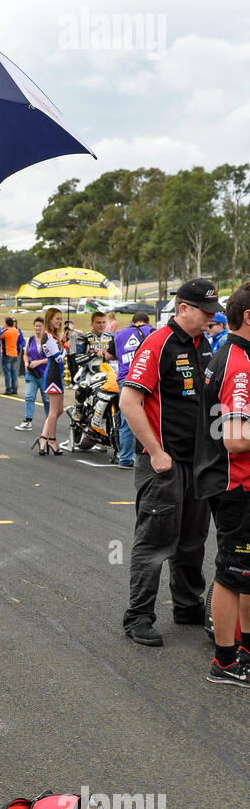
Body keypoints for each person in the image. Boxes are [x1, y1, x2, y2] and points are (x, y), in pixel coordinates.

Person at [119, 277, 219, 645]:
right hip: (162, 462)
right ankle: (138, 616)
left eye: (214, 312)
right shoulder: (158, 343)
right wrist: (156, 452)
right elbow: (129, 402)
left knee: (194, 539)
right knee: (156, 541)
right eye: (205, 312)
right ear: (183, 309)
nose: (211, 318)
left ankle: (187, 605)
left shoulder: (202, 342)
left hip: (197, 461)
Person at [193, 284, 250, 684]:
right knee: (234, 572)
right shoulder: (239, 362)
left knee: (245, 570)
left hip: (228, 479)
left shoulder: (229, 352)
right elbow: (235, 437)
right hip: (235, 482)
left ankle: (244, 648)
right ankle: (226, 661)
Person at [113, 313, 152, 467]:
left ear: (132, 322)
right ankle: (147, 453)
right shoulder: (152, 331)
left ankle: (125, 458)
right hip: (145, 379)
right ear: (147, 322)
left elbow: (110, 355)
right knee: (148, 416)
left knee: (127, 419)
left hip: (125, 378)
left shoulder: (120, 334)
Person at [31, 307, 66, 455]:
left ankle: (45, 438)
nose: (60, 321)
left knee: (59, 410)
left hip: (57, 375)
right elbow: (59, 358)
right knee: (53, 411)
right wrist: (66, 348)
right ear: (50, 319)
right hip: (53, 375)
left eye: (60, 318)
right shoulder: (48, 337)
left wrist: (64, 340)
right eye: (57, 318)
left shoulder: (52, 336)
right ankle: (49, 439)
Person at [15, 315, 49, 431]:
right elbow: (26, 354)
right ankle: (28, 421)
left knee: (47, 399)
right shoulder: (30, 340)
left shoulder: (48, 340)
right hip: (31, 374)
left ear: (44, 327)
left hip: (44, 374)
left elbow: (52, 358)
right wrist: (26, 364)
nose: (38, 328)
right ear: (33, 327)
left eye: (40, 326)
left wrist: (38, 362)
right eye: (36, 326)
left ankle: (49, 420)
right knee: (29, 397)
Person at [0, 316, 23, 395]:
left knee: (7, 372)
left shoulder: (6, 331)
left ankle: (8, 389)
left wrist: (2, 328)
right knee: (14, 372)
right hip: (14, 353)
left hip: (7, 353)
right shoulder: (16, 330)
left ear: (6, 323)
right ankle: (14, 388)